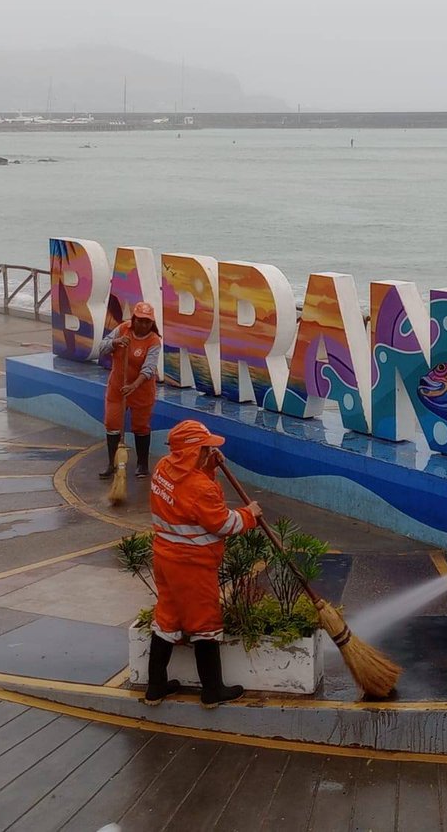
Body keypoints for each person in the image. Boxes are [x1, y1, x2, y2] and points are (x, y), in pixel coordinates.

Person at [145, 419, 263, 706]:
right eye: (206, 448)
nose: (211, 451)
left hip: (165, 558)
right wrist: (250, 514)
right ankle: (212, 691)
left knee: (167, 619)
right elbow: (221, 522)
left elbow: (190, 500)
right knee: (204, 624)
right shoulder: (200, 488)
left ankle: (156, 687)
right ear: (192, 452)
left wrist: (209, 464)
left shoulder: (163, 468)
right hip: (192, 566)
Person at [98, 302, 160, 479]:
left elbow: (149, 369)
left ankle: (142, 464)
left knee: (140, 426)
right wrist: (116, 342)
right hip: (118, 387)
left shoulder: (154, 341)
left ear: (152, 323)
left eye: (147, 322)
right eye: (139, 320)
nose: (143, 325)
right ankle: (112, 463)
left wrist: (134, 385)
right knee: (112, 424)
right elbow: (102, 347)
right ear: (133, 319)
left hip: (140, 390)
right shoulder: (123, 329)